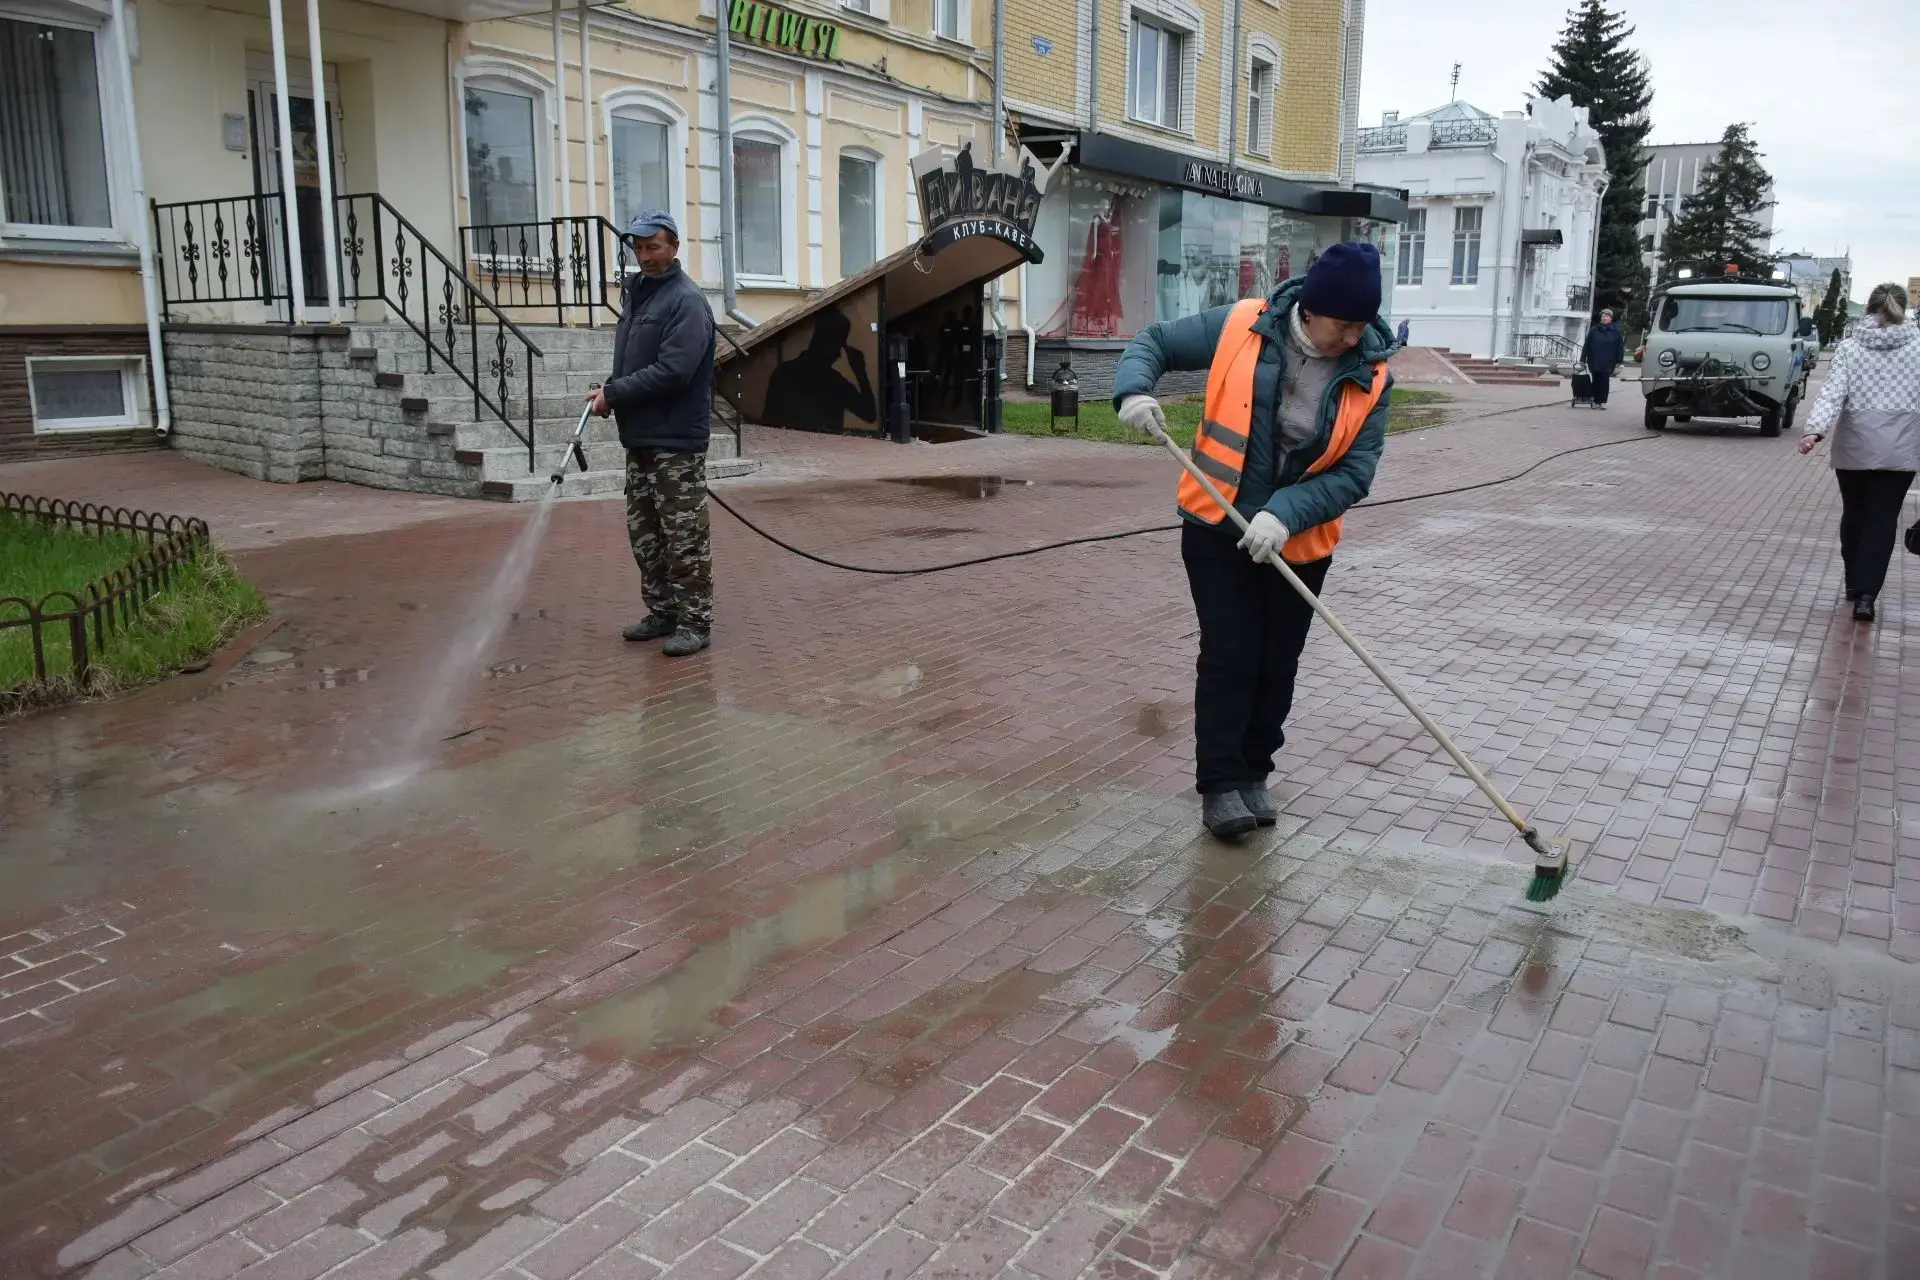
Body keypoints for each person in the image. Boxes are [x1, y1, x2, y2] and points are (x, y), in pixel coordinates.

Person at [1114, 242, 1394, 839]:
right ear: (1311, 311)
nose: (1351, 338)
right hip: (1217, 523)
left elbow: (1355, 473)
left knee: (1277, 663)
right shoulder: (1243, 324)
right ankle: (1220, 784)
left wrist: (1285, 514)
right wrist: (1134, 391)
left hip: (1300, 539)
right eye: (1342, 325)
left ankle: (1254, 772)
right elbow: (1154, 342)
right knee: (1231, 655)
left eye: (1360, 326)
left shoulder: (1372, 372)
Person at [588, 210, 717, 657]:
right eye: (639, 249)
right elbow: (632, 363)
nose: (645, 257)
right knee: (645, 535)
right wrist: (612, 394)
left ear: (674, 247)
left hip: (675, 441)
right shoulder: (638, 296)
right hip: (640, 438)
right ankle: (662, 612)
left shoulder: (686, 301)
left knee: (684, 537)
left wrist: (616, 393)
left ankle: (695, 622)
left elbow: (673, 371)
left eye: (653, 247)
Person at [1797, 281, 1920, 623]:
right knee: (1882, 519)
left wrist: (1814, 431)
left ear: (1868, 309)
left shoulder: (1851, 348)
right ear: (1902, 309)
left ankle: (1854, 580)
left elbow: (1831, 394)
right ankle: (1867, 595)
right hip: (1901, 449)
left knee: (1855, 514)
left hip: (1855, 447)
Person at [1581, 308, 1625, 408]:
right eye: (1603, 316)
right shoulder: (1594, 330)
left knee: (1604, 381)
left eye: (1607, 316)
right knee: (1596, 380)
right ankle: (1596, 401)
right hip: (1594, 360)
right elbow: (1586, 345)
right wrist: (1583, 359)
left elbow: (1620, 347)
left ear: (1611, 318)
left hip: (1608, 361)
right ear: (1601, 318)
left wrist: (1620, 361)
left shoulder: (1616, 332)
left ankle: (1602, 402)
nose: (1605, 318)